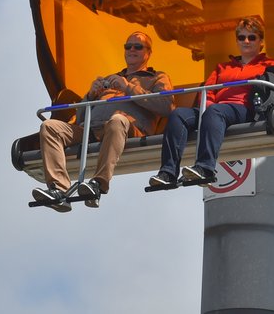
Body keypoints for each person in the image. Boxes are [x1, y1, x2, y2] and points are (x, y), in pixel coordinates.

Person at [32, 31, 173, 212]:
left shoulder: (157, 78)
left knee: (117, 121)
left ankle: (99, 184)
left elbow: (166, 106)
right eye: (128, 46)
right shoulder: (110, 78)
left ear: (148, 52)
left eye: (137, 47)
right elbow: (81, 117)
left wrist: (127, 87)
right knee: (49, 127)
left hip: (126, 128)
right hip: (90, 129)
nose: (132, 50)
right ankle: (59, 190)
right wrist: (90, 95)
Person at [148, 17, 274, 187]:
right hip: (215, 110)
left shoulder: (269, 65)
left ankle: (205, 168)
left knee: (215, 112)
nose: (246, 41)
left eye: (252, 37)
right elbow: (208, 90)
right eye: (242, 37)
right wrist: (207, 106)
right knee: (178, 115)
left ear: (261, 41)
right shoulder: (223, 68)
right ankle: (168, 172)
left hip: (246, 108)